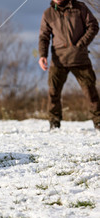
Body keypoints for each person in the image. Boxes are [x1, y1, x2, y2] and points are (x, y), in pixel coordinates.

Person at [39, 0, 99, 130]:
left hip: (80, 59)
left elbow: (93, 25)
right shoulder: (48, 14)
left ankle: (98, 122)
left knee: (91, 92)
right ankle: (54, 124)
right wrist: (43, 55)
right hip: (58, 60)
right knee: (53, 92)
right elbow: (44, 36)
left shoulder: (79, 7)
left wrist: (80, 45)